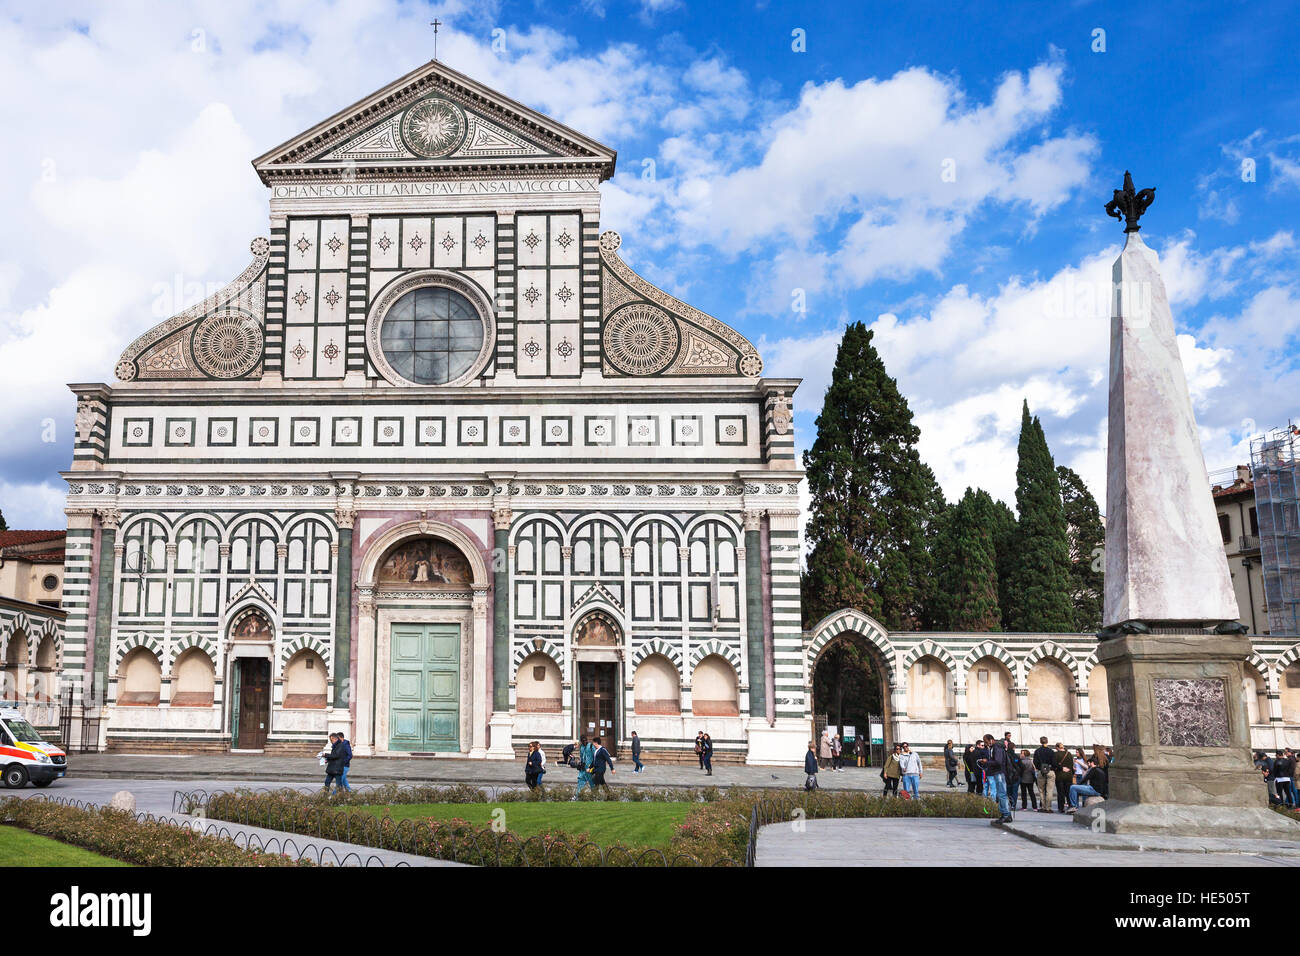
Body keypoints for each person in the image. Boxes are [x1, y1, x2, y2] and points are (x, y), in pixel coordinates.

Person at [977, 733, 1012, 823]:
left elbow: (998, 761)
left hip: (999, 772)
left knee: (1001, 794)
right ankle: (1006, 814)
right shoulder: (994, 747)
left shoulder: (997, 747)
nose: (985, 744)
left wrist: (987, 761)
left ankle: (1005, 814)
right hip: (997, 772)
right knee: (1001, 794)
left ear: (990, 740)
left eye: (986, 741)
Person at [1032, 737, 1056, 813]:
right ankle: (1048, 808)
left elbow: (1035, 762)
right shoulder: (1051, 751)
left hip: (1041, 771)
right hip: (1050, 771)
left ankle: (1043, 806)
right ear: (1047, 741)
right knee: (1050, 790)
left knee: (1041, 790)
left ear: (1040, 742)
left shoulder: (1037, 751)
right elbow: (1054, 762)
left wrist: (1039, 767)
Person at [1053, 742, 1075, 812]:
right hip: (1068, 775)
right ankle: (1070, 805)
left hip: (1059, 775)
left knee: (1060, 792)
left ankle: (1061, 807)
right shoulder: (1069, 754)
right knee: (1068, 792)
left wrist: (1061, 768)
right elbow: (1072, 765)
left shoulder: (1056, 754)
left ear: (1057, 747)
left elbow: (1054, 764)